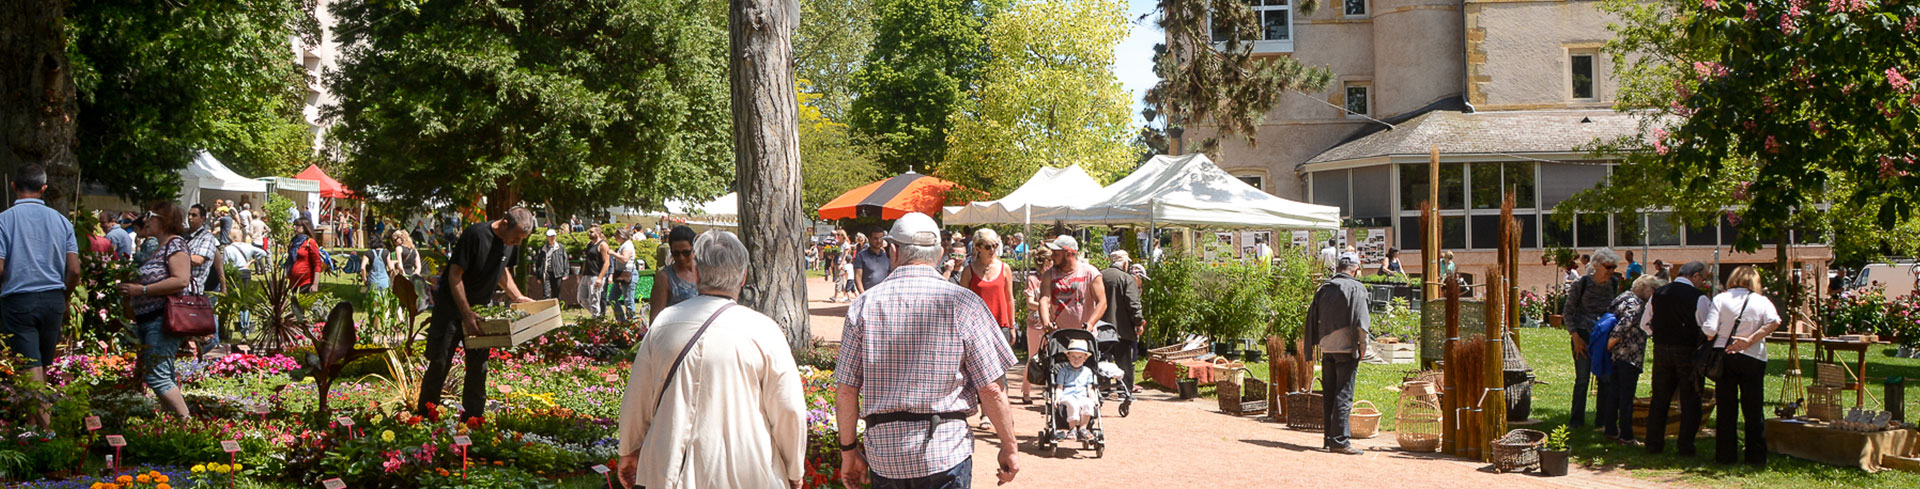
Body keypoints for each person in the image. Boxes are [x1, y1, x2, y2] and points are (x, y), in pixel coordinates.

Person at [833, 212, 1019, 488]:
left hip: (887, 455)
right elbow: (991, 387)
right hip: (946, 451)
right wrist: (1009, 445)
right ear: (941, 252)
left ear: (893, 250)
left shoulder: (864, 306)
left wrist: (848, 451)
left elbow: (847, 389)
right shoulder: (963, 303)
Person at [614, 230, 805, 489]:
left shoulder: (664, 324)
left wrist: (629, 450)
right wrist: (794, 468)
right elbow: (788, 409)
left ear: (698, 273)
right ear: (743, 276)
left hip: (671, 467)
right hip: (747, 470)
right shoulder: (764, 330)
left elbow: (637, 397)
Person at [417, 207, 537, 421]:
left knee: (478, 367)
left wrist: (517, 296)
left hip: (481, 312)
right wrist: (466, 313)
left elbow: (504, 270)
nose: (518, 243)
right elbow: (455, 274)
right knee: (440, 363)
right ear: (504, 223)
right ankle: (424, 418)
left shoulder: (512, 241)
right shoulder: (476, 234)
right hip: (451, 309)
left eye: (522, 239)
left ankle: (472, 421)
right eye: (517, 238)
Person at [0, 164, 82, 430]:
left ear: (14, 186)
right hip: (53, 299)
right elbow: (74, 270)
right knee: (40, 368)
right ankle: (31, 431)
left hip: (19, 299)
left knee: (31, 368)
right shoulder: (61, 221)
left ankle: (48, 432)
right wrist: (67, 297)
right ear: (44, 188)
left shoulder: (4, 220)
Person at [116, 202, 195, 418]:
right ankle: (174, 427)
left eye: (150, 215)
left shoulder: (175, 245)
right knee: (162, 375)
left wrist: (141, 290)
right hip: (148, 320)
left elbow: (181, 280)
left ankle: (187, 425)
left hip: (162, 320)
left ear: (164, 219)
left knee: (157, 377)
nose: (146, 220)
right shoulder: (160, 245)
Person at [1705, 266, 1781, 465]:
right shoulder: (1762, 301)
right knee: (1754, 408)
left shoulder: (1721, 299)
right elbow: (1775, 321)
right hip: (1753, 356)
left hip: (1725, 355)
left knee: (1726, 408)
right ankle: (1756, 456)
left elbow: (1710, 329)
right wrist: (1750, 340)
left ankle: (1725, 455)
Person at [1640, 261, 1714, 456]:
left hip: (1661, 350)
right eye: (1703, 278)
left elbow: (1644, 324)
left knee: (1660, 399)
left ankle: (1653, 444)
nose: (1703, 282)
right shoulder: (1699, 298)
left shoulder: (1659, 294)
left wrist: (1659, 335)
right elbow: (1707, 327)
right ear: (1695, 276)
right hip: (1688, 351)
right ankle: (1686, 446)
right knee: (1691, 399)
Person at [1304, 252, 1370, 455]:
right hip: (1345, 348)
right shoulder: (1357, 288)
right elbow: (1361, 324)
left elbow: (1312, 317)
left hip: (1326, 347)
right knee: (1344, 393)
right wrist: (1363, 348)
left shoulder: (1325, 287)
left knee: (1330, 394)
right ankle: (1340, 440)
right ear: (1356, 269)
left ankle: (1329, 439)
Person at [1562, 248, 1623, 429]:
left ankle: (1602, 421)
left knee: (1605, 378)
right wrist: (1576, 338)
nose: (1611, 271)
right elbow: (1568, 312)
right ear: (1597, 265)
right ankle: (1576, 421)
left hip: (1603, 337)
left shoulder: (1613, 283)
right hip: (1582, 334)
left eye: (1614, 267)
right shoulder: (1581, 283)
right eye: (1608, 267)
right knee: (1582, 379)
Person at [1605, 274, 1663, 446]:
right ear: (1644, 287)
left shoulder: (1621, 298)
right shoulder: (1637, 305)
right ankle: (1627, 436)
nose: (1654, 294)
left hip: (1616, 356)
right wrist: (1610, 344)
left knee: (1613, 394)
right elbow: (1623, 326)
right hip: (1629, 356)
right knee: (1626, 397)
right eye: (1653, 290)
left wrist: (1608, 348)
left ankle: (1610, 430)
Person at [1038, 236, 1106, 332]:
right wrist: (1046, 322)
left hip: (1084, 334)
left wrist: (1090, 324)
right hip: (1058, 335)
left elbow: (1102, 302)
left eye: (1056, 254)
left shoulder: (1090, 273)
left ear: (1068, 254)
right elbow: (1044, 299)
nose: (1052, 257)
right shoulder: (1049, 274)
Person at [1101, 250, 1145, 393]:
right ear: (1125, 263)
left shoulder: (1099, 276)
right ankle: (1124, 390)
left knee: (1102, 359)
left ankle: (1102, 388)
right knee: (1124, 362)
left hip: (1101, 327)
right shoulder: (1127, 279)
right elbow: (1133, 304)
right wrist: (1138, 322)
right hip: (1122, 329)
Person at [1020, 246, 1054, 404]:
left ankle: (1047, 389)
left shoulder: (1054, 276)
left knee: (1052, 358)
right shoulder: (1033, 279)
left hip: (1052, 323)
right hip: (1036, 323)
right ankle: (1026, 391)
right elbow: (1030, 303)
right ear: (1047, 261)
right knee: (1033, 357)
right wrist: (1045, 306)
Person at [648, 226, 700, 324]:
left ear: (694, 249)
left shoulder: (705, 272)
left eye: (686, 253)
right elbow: (655, 320)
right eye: (675, 253)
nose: (681, 258)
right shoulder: (664, 278)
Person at [1052, 339, 1099, 441]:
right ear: (1068, 356)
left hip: (1082, 396)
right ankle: (1072, 428)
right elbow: (1059, 387)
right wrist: (1057, 398)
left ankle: (1083, 429)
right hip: (1067, 396)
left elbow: (1090, 388)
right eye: (1073, 356)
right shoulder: (1063, 371)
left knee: (1088, 403)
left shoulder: (1087, 371)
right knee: (1072, 403)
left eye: (1080, 357)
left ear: (1085, 358)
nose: (1076, 360)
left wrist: (1094, 399)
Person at [287, 218, 325, 293]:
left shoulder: (310, 242)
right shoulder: (294, 241)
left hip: (305, 282)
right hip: (293, 282)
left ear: (305, 227)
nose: (294, 227)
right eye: (294, 225)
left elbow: (317, 264)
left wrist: (315, 284)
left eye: (297, 225)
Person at [581, 226, 610, 317]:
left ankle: (597, 320)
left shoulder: (603, 245)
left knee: (594, 300)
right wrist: (582, 273)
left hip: (596, 276)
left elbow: (606, 263)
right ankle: (598, 316)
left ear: (597, 233)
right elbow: (587, 260)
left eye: (591, 232)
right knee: (581, 298)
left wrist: (600, 278)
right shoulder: (590, 244)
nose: (589, 234)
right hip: (586, 275)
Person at [609, 228, 638, 322]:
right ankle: (622, 321)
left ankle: (632, 323)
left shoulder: (628, 245)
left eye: (616, 236)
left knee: (628, 300)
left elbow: (625, 259)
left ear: (622, 236)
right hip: (621, 275)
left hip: (628, 275)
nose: (615, 238)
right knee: (612, 298)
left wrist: (612, 253)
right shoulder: (624, 245)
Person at [532, 229, 568, 302]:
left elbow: (565, 260)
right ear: (547, 237)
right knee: (546, 294)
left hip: (557, 273)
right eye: (550, 236)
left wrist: (566, 273)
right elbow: (538, 263)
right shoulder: (543, 248)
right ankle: (547, 311)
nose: (552, 238)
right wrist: (538, 276)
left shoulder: (560, 247)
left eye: (553, 236)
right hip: (546, 273)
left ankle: (557, 310)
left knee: (556, 293)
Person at [852, 229, 892, 294]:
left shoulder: (887, 256)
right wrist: (863, 296)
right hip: (868, 296)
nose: (879, 241)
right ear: (869, 238)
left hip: (884, 295)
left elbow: (890, 277)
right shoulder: (861, 256)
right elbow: (857, 278)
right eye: (875, 238)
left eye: (881, 238)